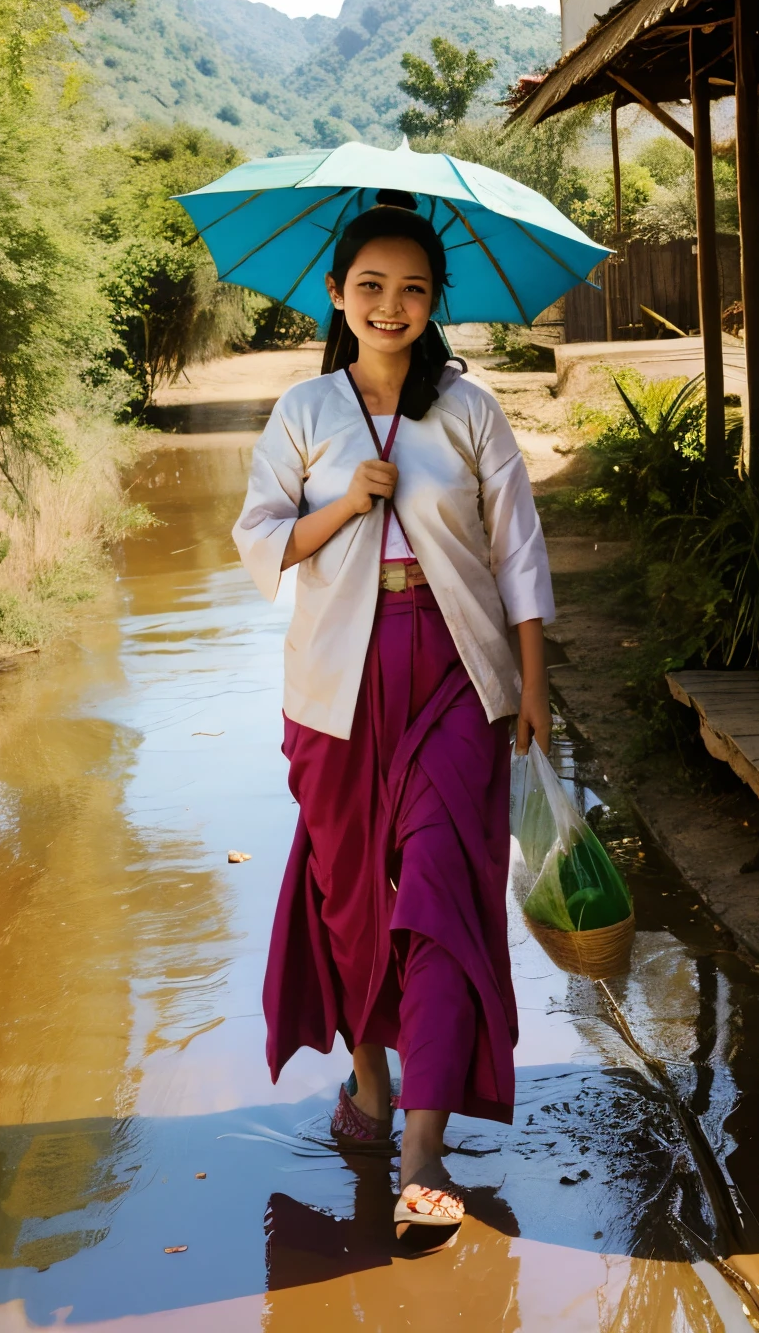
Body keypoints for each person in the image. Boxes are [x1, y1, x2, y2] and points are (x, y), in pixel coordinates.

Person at [233, 200, 555, 1232]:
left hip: (456, 669)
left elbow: (519, 555)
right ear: (338, 295)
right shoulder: (304, 412)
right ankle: (369, 1082)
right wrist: (348, 503)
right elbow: (259, 545)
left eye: (413, 288)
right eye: (370, 286)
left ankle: (425, 1147)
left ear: (434, 303)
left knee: (439, 893)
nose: (391, 304)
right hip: (337, 682)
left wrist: (534, 686)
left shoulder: (468, 410)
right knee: (350, 896)